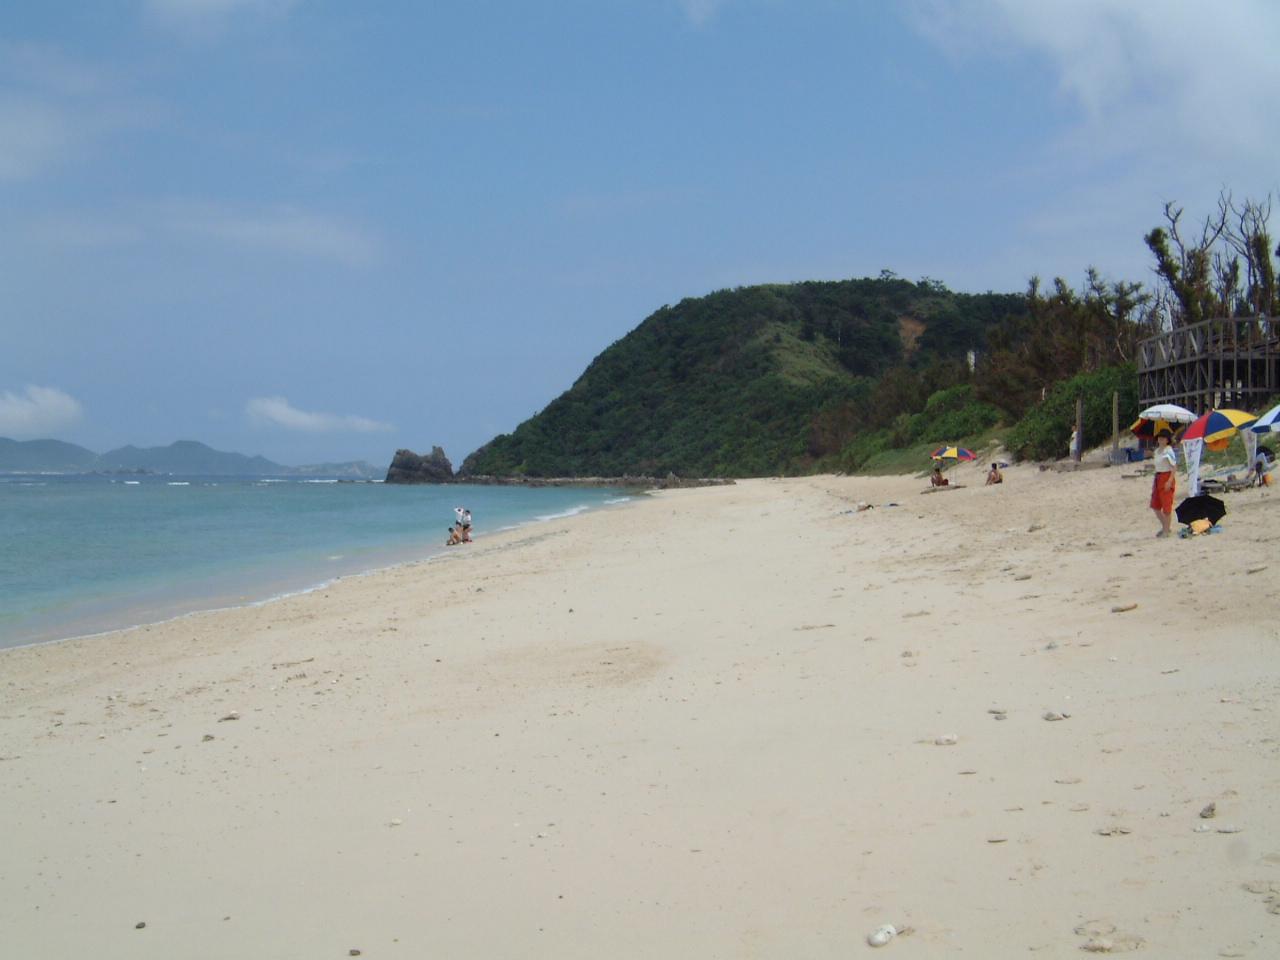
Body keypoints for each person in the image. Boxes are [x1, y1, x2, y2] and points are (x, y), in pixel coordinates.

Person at [1150, 429, 1177, 538]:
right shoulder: (1157, 451)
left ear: (1167, 440)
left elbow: (1174, 467)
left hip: (1166, 476)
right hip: (1158, 477)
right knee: (1155, 505)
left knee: (1166, 505)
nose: (1161, 439)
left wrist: (1169, 481)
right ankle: (1165, 526)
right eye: (1159, 438)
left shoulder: (1168, 450)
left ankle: (1166, 530)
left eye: (1163, 438)